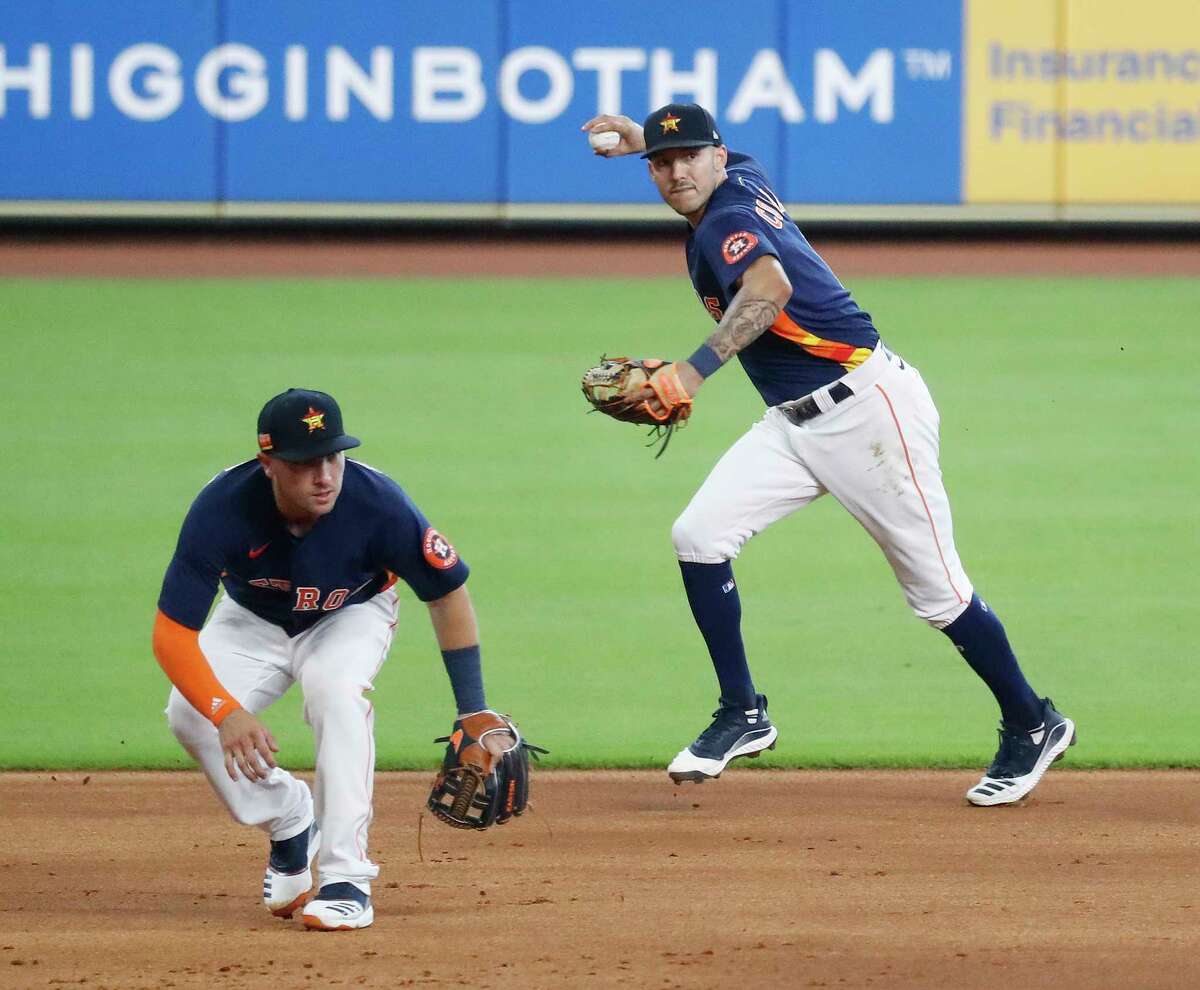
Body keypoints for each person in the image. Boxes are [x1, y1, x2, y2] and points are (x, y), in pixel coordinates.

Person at [581, 104, 1075, 806]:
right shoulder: (740, 178)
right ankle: (743, 713)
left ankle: (1033, 722)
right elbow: (703, 167)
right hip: (792, 424)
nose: (675, 171)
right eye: (661, 163)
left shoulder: (726, 221)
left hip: (871, 416)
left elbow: (770, 287)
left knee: (938, 595)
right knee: (698, 537)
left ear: (717, 157)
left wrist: (691, 372)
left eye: (689, 156)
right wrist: (642, 139)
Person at [153, 387, 501, 929]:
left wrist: (472, 708)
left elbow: (447, 593)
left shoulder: (378, 503)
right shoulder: (220, 508)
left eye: (333, 456)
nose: (324, 475)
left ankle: (347, 879)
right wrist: (227, 711)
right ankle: (288, 816)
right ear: (268, 464)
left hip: (350, 614)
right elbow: (172, 635)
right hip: (251, 619)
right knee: (188, 713)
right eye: (304, 463)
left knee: (334, 691)